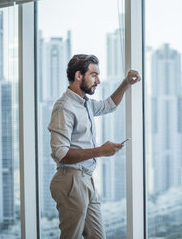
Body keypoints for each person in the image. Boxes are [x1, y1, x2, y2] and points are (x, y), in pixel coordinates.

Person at [48, 54, 140, 239]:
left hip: (85, 179)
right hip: (71, 180)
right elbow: (61, 153)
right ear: (78, 76)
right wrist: (100, 151)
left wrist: (126, 83)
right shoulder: (64, 108)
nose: (98, 81)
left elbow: (109, 105)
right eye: (93, 75)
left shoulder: (85, 105)